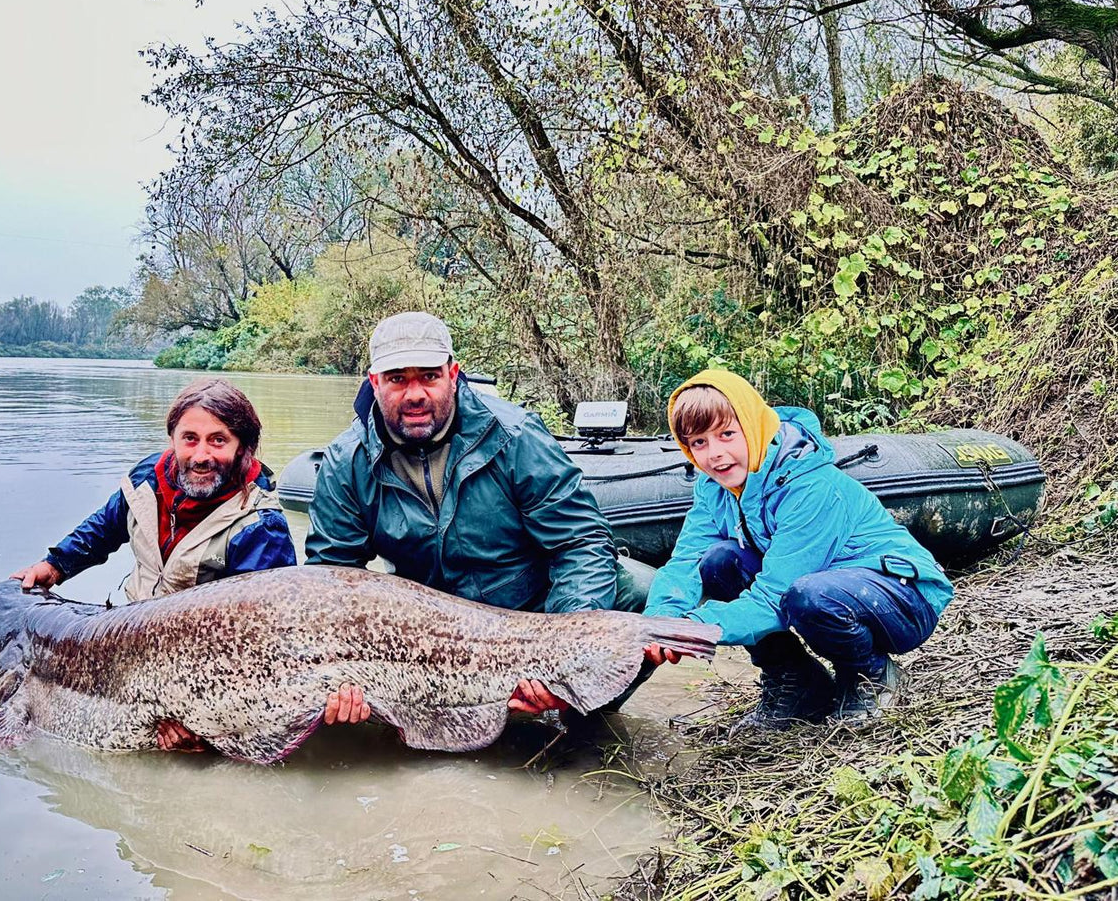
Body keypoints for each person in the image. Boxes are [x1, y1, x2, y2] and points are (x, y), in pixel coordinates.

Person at [306, 311, 643, 725]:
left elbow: (579, 542)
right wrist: (342, 680)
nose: (415, 393)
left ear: (453, 374)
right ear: (374, 383)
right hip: (423, 636)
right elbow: (330, 583)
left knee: (637, 590)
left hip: (528, 615)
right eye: (397, 379)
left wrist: (564, 646)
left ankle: (581, 720)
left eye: (429, 376)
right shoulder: (345, 461)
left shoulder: (515, 435)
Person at [639, 369, 953, 731]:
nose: (715, 455)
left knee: (808, 595)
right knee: (718, 563)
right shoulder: (713, 489)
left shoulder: (810, 485)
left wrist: (694, 628)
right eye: (699, 443)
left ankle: (871, 676)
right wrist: (659, 623)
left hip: (901, 597)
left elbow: (775, 596)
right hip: (824, 586)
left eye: (727, 434)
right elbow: (687, 563)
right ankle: (797, 682)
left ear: (753, 427)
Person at [10, 377, 296, 750]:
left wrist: (204, 722)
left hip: (201, 664)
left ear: (243, 447)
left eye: (219, 440)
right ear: (173, 439)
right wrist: (54, 565)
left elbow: (260, 648)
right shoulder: (148, 478)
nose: (201, 456)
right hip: (131, 633)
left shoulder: (262, 526)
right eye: (189, 438)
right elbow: (103, 529)